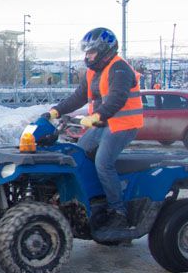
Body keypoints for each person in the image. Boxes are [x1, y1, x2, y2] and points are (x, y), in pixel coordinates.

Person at [45, 27, 143, 233]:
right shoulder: (93, 72)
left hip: (123, 125)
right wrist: (54, 111)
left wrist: (97, 117)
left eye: (91, 52)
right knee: (79, 155)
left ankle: (118, 212)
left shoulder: (120, 69)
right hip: (103, 123)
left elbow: (117, 98)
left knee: (103, 163)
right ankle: (93, 200)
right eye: (86, 52)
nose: (87, 57)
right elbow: (78, 97)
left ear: (105, 50)